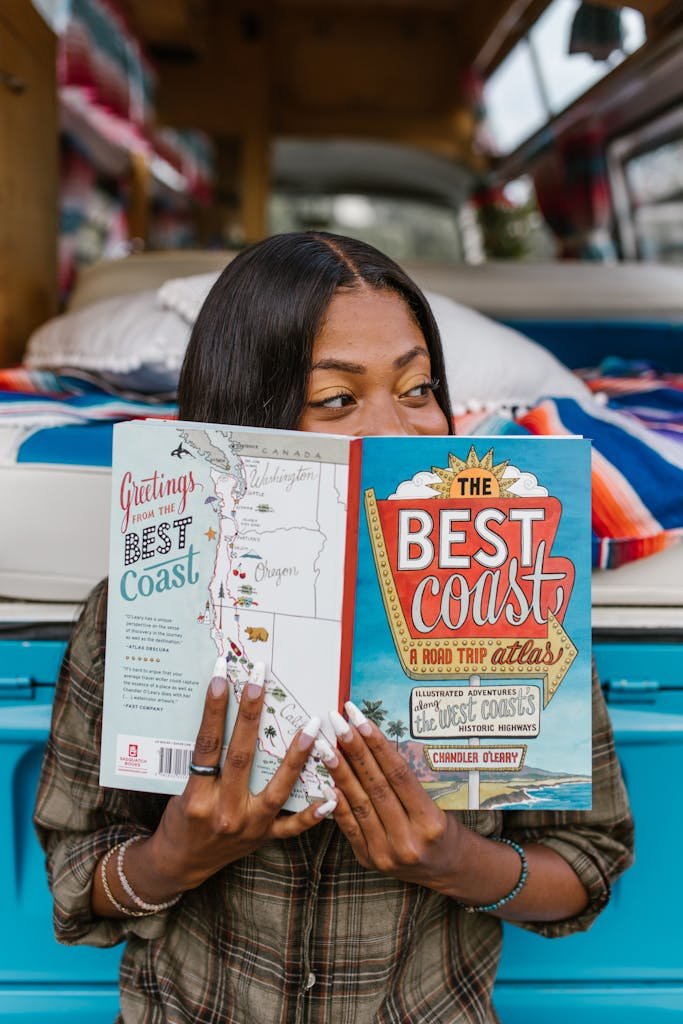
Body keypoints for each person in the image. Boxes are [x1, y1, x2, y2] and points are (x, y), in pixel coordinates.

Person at [35, 231, 634, 1024]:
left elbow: (588, 862)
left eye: (418, 390)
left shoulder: (514, 599)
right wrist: (176, 856)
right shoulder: (135, 610)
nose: (394, 431)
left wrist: (455, 863)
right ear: (247, 412)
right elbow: (79, 874)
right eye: (337, 400)